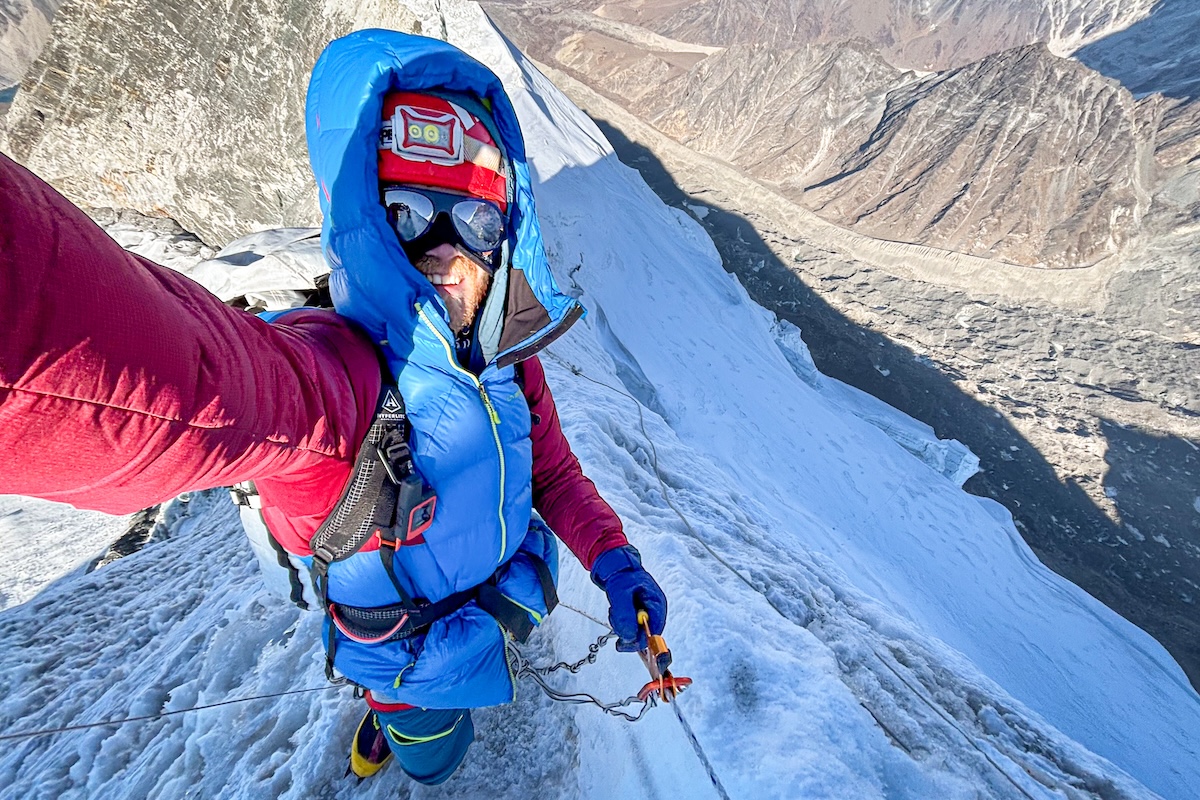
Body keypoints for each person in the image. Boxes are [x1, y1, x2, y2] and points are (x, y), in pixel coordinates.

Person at [0, 29, 668, 786]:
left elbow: (551, 471)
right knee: (436, 751)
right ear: (370, 227)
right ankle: (393, 723)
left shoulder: (509, 360)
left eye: (477, 223)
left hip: (478, 608)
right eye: (412, 216)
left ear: (505, 237)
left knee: (462, 676)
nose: (449, 251)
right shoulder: (338, 387)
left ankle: (408, 705)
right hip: (400, 643)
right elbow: (187, 380)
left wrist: (615, 561)